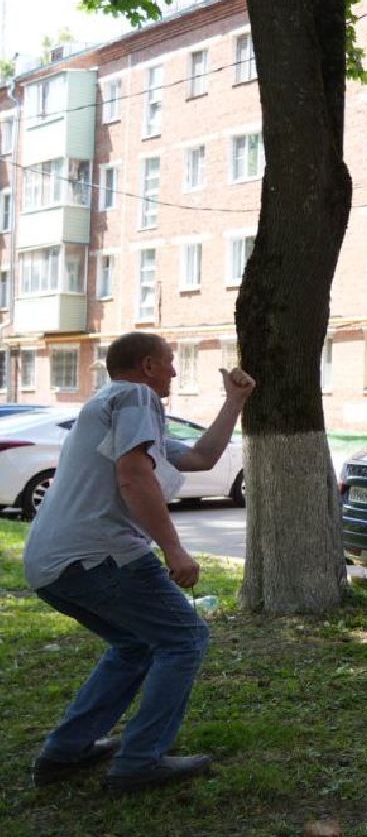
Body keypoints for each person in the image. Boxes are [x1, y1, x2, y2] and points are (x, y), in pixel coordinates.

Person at [23, 333, 255, 794]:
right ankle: (139, 763)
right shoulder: (134, 396)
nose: (173, 372)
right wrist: (174, 549)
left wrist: (234, 402)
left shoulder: (113, 408)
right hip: (99, 555)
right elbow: (133, 475)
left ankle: (65, 753)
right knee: (185, 638)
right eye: (169, 363)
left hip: (52, 563)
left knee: (135, 646)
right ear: (148, 365)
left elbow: (201, 457)